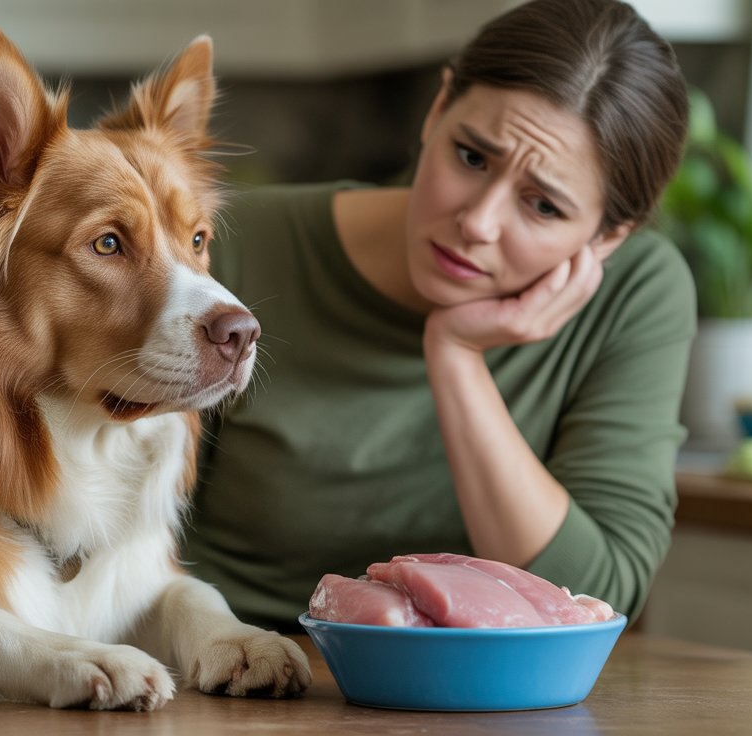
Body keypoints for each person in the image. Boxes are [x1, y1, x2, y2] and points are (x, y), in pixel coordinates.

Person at [182, 0, 695, 632]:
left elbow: (593, 596)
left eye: (542, 206)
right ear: (438, 105)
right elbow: (106, 545)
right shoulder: (226, 244)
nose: (477, 222)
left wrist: (455, 357)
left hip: (489, 711)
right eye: (472, 157)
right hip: (225, 679)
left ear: (610, 236)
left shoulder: (636, 291)